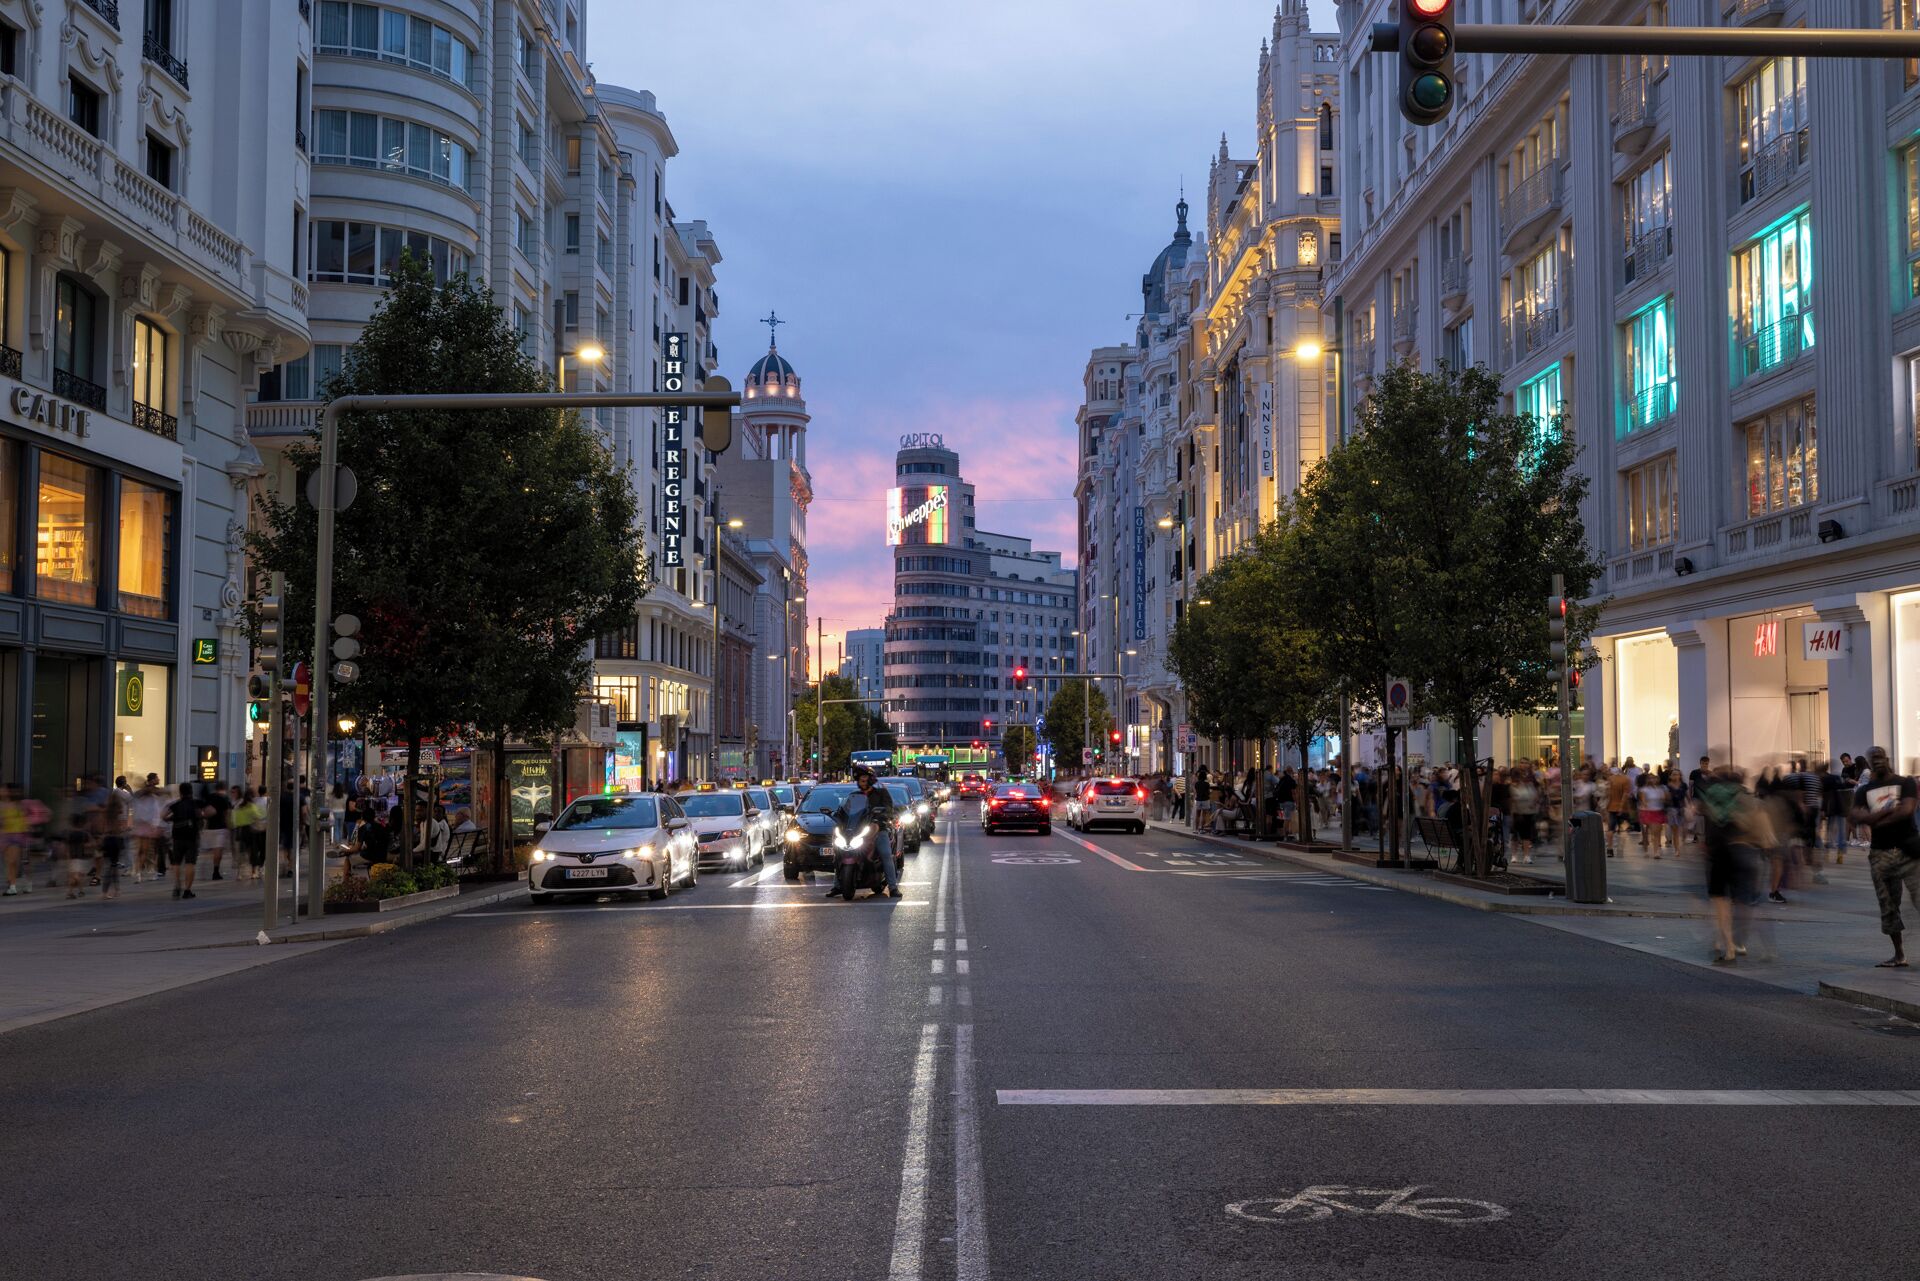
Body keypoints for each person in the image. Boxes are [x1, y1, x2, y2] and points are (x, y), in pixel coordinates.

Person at [1851, 746, 1920, 968]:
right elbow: (1854, 814)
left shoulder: (1905, 782)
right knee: (1888, 906)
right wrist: (1887, 812)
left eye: (1880, 757)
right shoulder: (1864, 790)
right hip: (1880, 853)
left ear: (1887, 758)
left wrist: (1873, 819)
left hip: (1908, 851)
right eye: (1874, 759)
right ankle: (1899, 955)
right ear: (1870, 763)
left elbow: (1907, 810)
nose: (1878, 761)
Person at [827, 768, 899, 900]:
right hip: (856, 830)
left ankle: (893, 887)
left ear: (871, 779)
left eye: (865, 778)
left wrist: (882, 815)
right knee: (838, 853)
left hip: (878, 829)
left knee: (885, 854)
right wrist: (837, 816)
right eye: (860, 779)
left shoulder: (881, 793)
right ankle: (837, 885)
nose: (863, 781)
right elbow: (845, 811)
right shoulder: (854, 796)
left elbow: (889, 808)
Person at [165, 783, 202, 900]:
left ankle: (177, 884)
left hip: (177, 837)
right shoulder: (195, 803)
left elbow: (163, 815)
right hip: (191, 836)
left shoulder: (175, 804)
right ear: (191, 792)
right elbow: (205, 813)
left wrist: (171, 818)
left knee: (176, 862)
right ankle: (187, 890)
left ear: (180, 792)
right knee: (190, 863)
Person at [200, 779, 232, 880]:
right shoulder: (225, 799)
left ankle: (204, 869)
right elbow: (227, 814)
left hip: (209, 827)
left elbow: (203, 812)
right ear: (224, 788)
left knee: (207, 850)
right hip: (220, 828)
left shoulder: (209, 797)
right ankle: (215, 871)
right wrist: (229, 826)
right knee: (218, 850)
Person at [0, 783, 24, 896]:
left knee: (12, 861)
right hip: (4, 835)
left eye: (4, 790)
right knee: (7, 862)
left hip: (15, 835)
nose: (3, 792)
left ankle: (12, 885)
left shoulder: (17, 804)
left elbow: (23, 820)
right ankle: (11, 883)